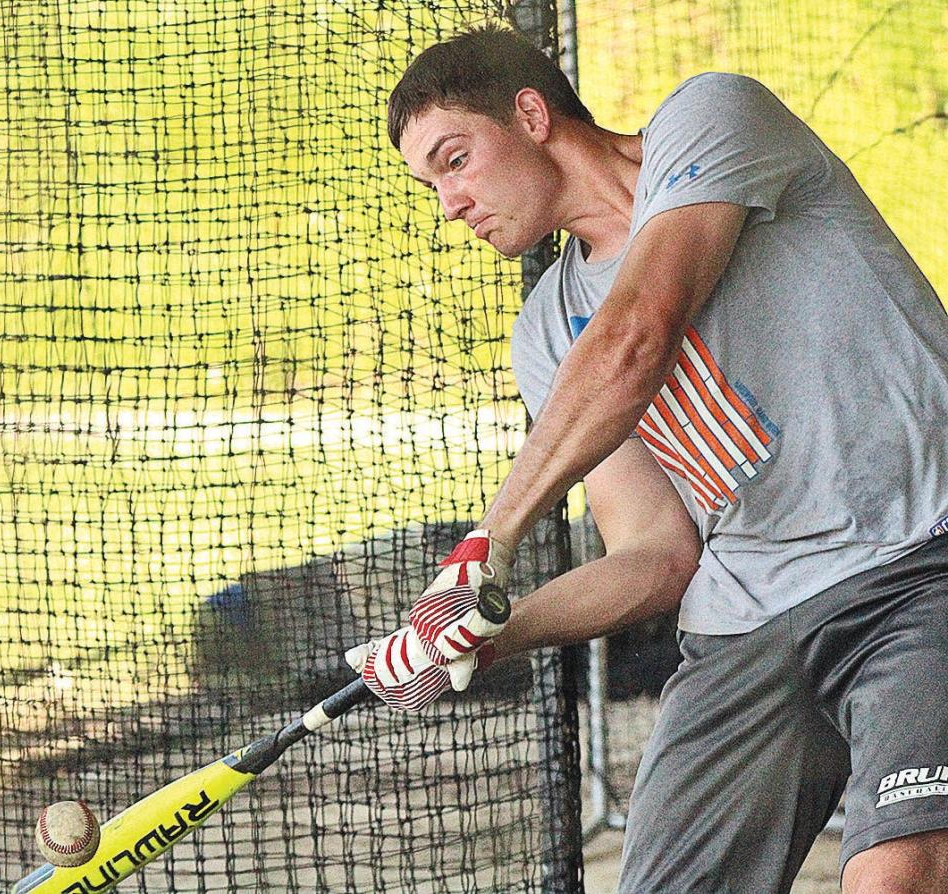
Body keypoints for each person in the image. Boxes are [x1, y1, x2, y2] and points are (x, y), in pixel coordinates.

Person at [344, 23, 948, 894]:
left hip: (919, 558)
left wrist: (488, 544)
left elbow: (639, 333)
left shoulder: (710, 121)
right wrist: (484, 634)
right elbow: (655, 556)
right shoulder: (547, 332)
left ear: (530, 114)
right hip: (747, 622)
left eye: (455, 158)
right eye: (431, 181)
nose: (450, 202)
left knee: (898, 875)